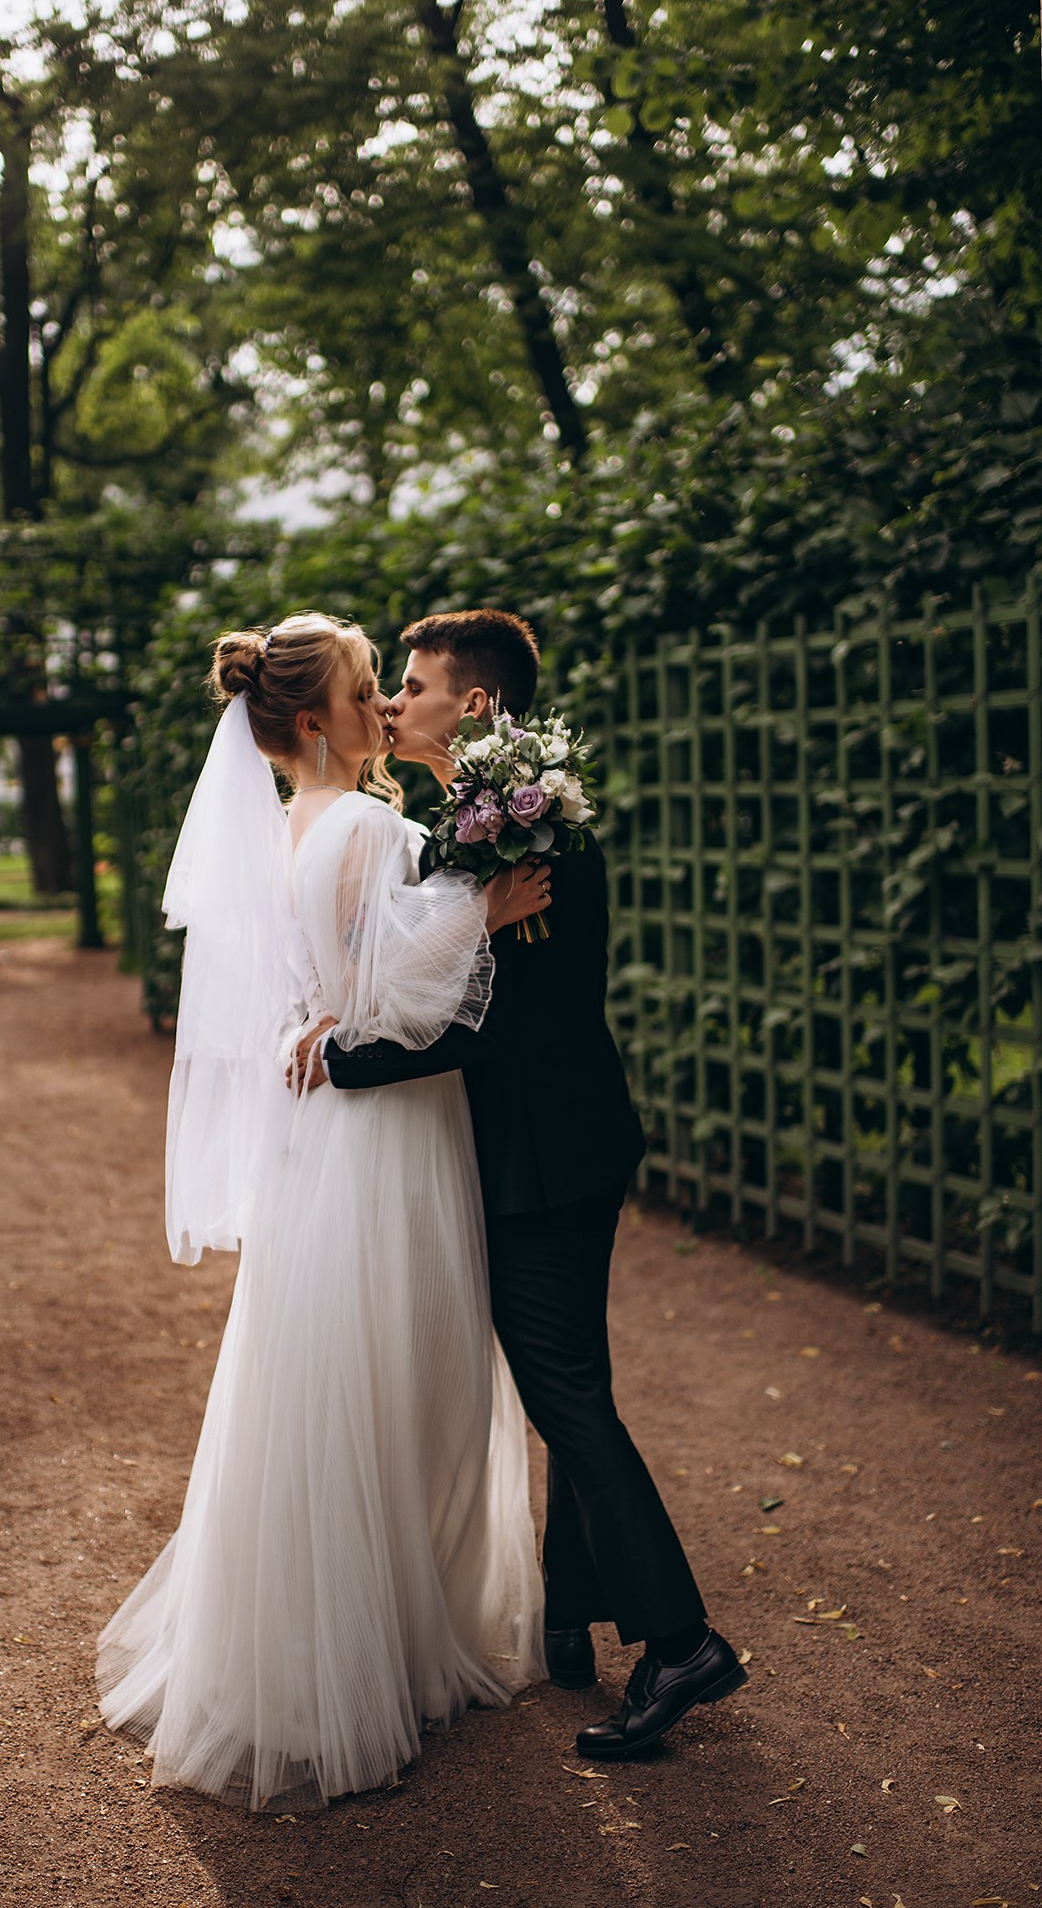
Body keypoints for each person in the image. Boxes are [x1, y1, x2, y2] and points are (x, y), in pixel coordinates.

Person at [96, 612, 552, 1810]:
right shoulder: (359, 821)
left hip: (328, 1139)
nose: (381, 709)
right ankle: (365, 1657)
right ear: (315, 723)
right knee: (390, 1376)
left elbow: (331, 990)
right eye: (364, 692)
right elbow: (392, 995)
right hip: (380, 1142)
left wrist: (330, 1012)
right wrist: (484, 915)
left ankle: (351, 1643)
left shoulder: (306, 823)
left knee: (326, 1379)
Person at [309, 608, 747, 1762]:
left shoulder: (523, 832)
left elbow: (491, 1023)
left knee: (564, 1397)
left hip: (541, 1159)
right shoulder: (482, 821)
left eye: (411, 685)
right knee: (574, 1381)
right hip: (559, 1145)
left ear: (477, 707)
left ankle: (680, 1642)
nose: (392, 703)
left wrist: (346, 1058)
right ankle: (568, 1615)